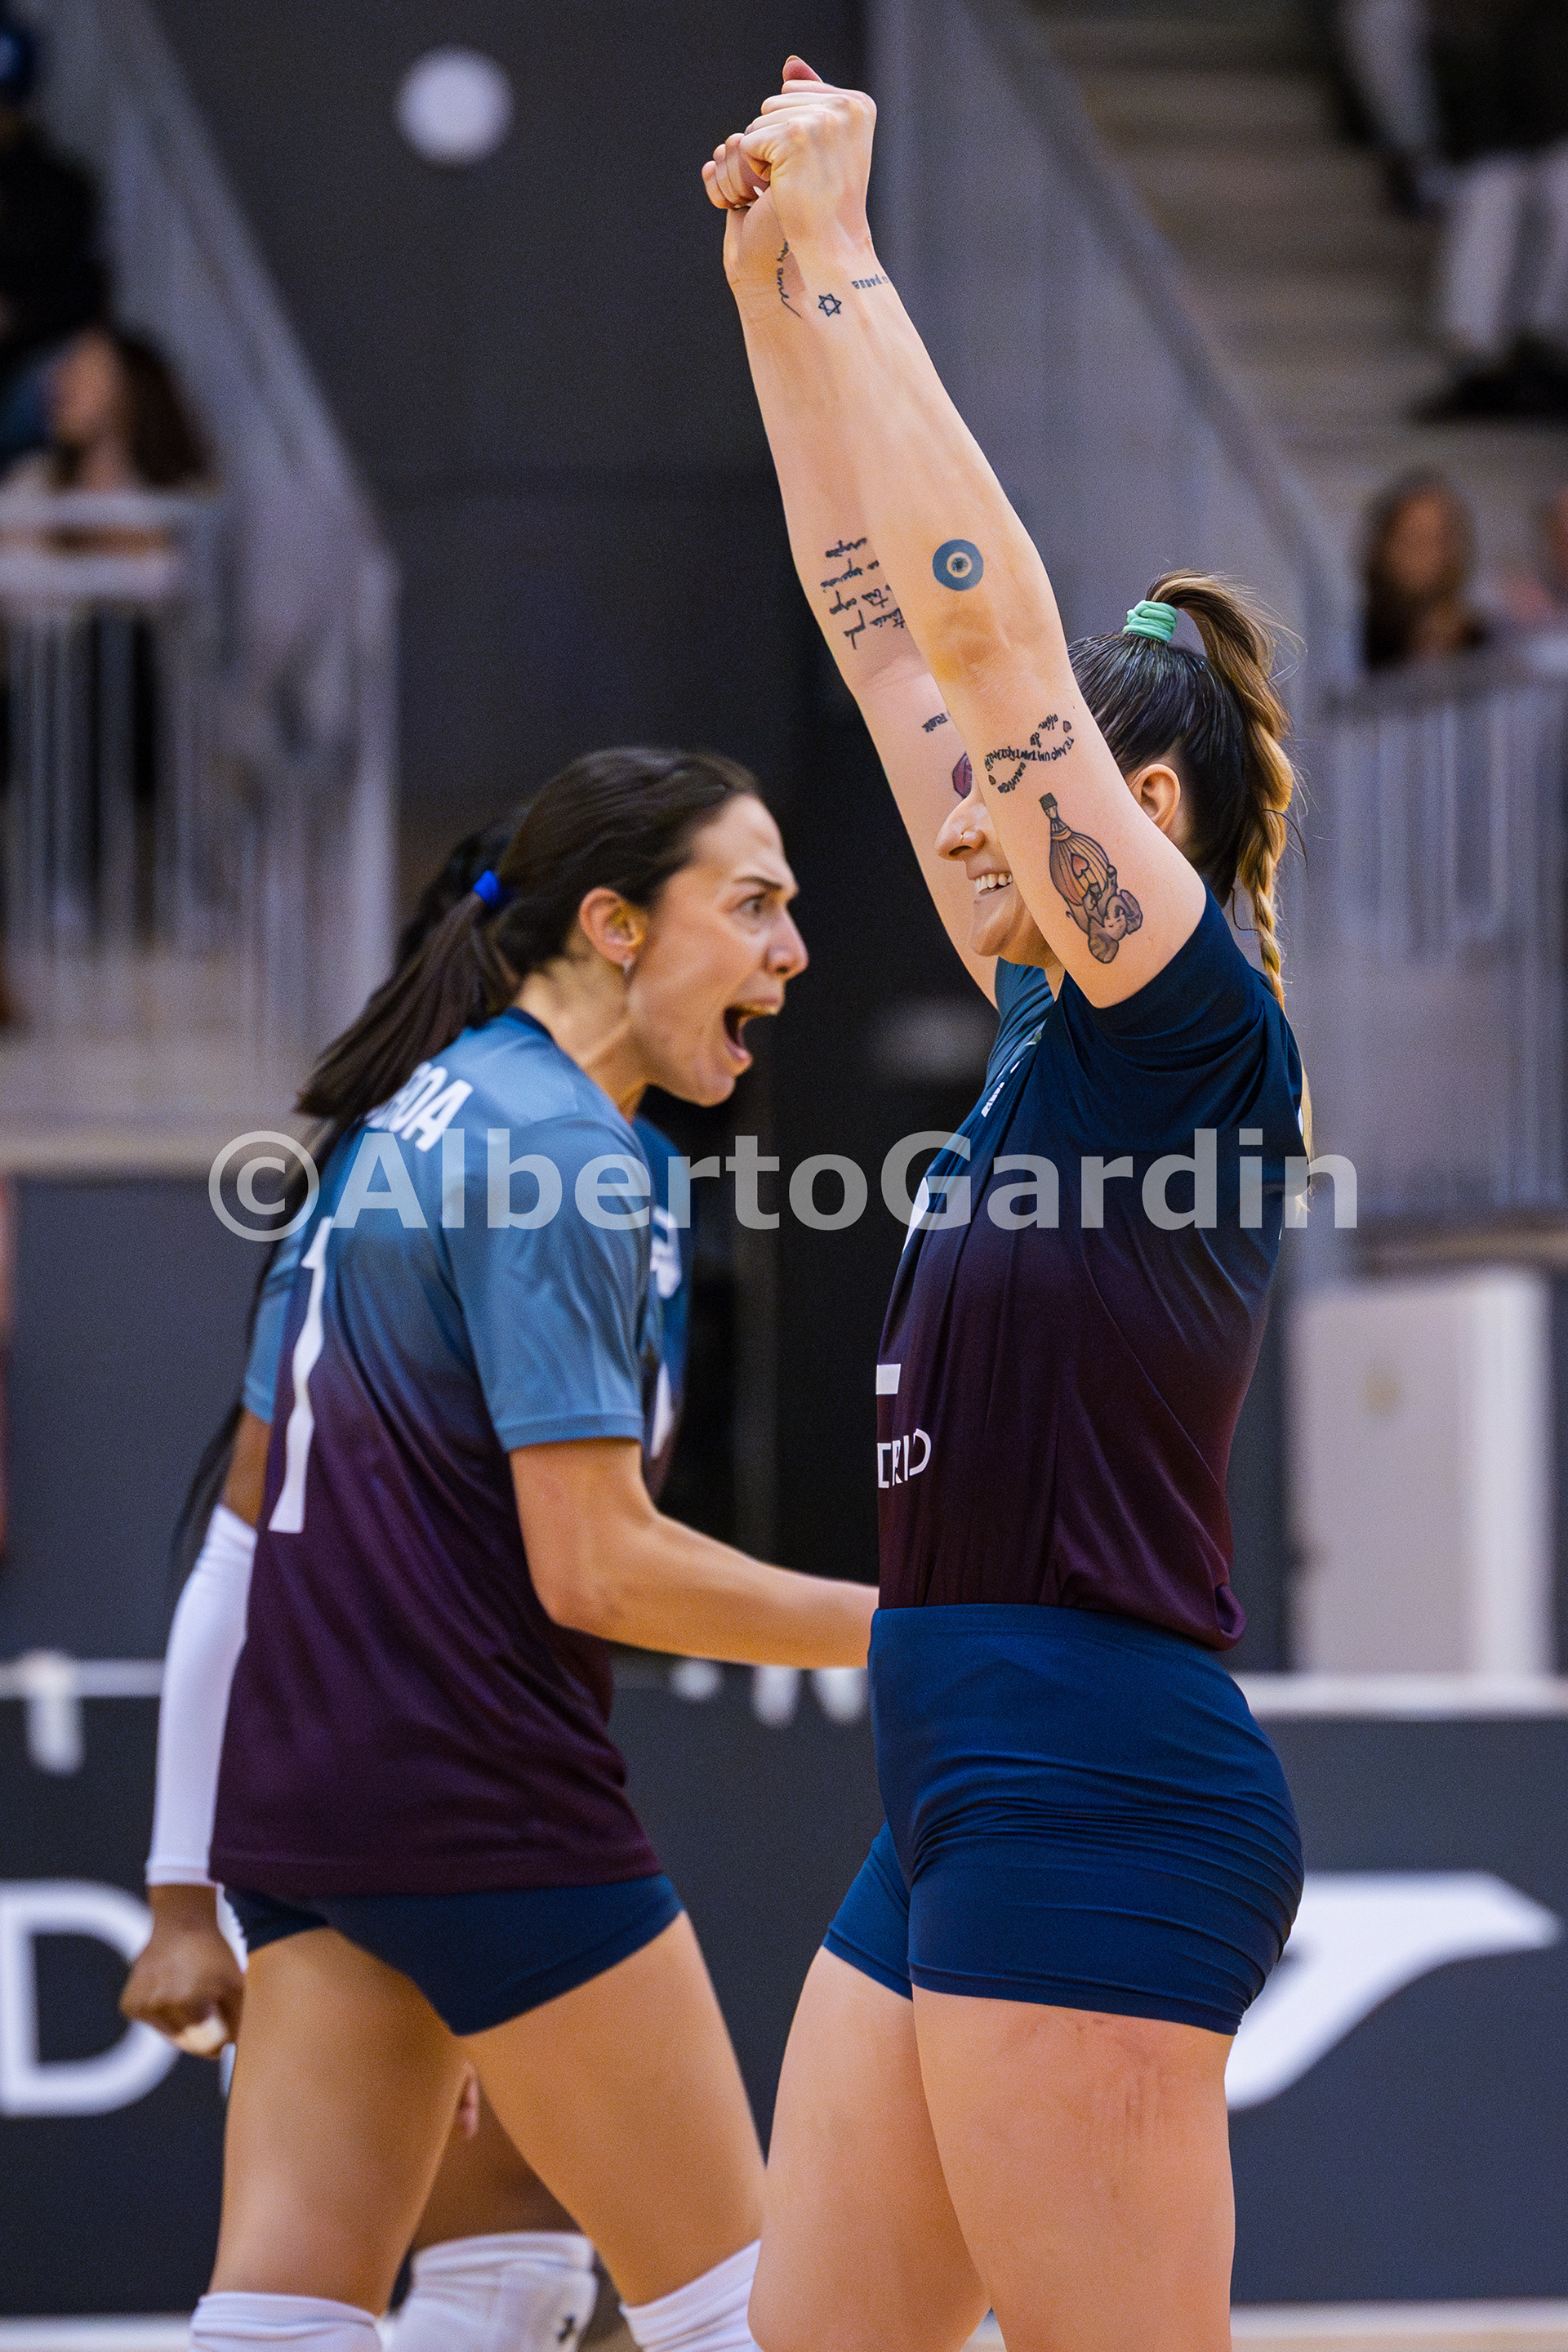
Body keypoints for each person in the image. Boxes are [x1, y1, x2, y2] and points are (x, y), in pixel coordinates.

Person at [705, 65, 1307, 2352]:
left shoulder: (1191, 1024)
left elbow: (984, 654)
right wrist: (771, 283)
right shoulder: (1056, 1017)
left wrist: (857, 250)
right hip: (954, 1778)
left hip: (1096, 1785)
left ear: (1135, 804)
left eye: (1016, 793)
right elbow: (886, 633)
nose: (956, 821)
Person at [180, 746, 873, 2352]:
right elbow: (599, 1570)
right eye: (753, 905)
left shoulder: (416, 1112)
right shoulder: (563, 1150)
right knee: (751, 2317)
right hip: (474, 1791)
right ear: (617, 925)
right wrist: (924, 1622)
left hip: (304, 1790)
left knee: (292, 2315)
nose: (792, 952)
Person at [121, 811, 698, 2352]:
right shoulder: (477, 1163)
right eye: (735, 905)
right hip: (432, 1793)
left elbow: (563, 1555)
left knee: (489, 2266)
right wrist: (180, 1899)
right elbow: (246, 1542)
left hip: (436, 1779)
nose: (774, 956)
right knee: (706, 2291)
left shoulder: (604, 1164)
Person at [1360, 468, 1494, 666]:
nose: (1427, 556)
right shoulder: (1353, 638)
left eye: (1438, 542)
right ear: (1383, 546)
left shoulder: (1478, 641)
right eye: (1414, 540)